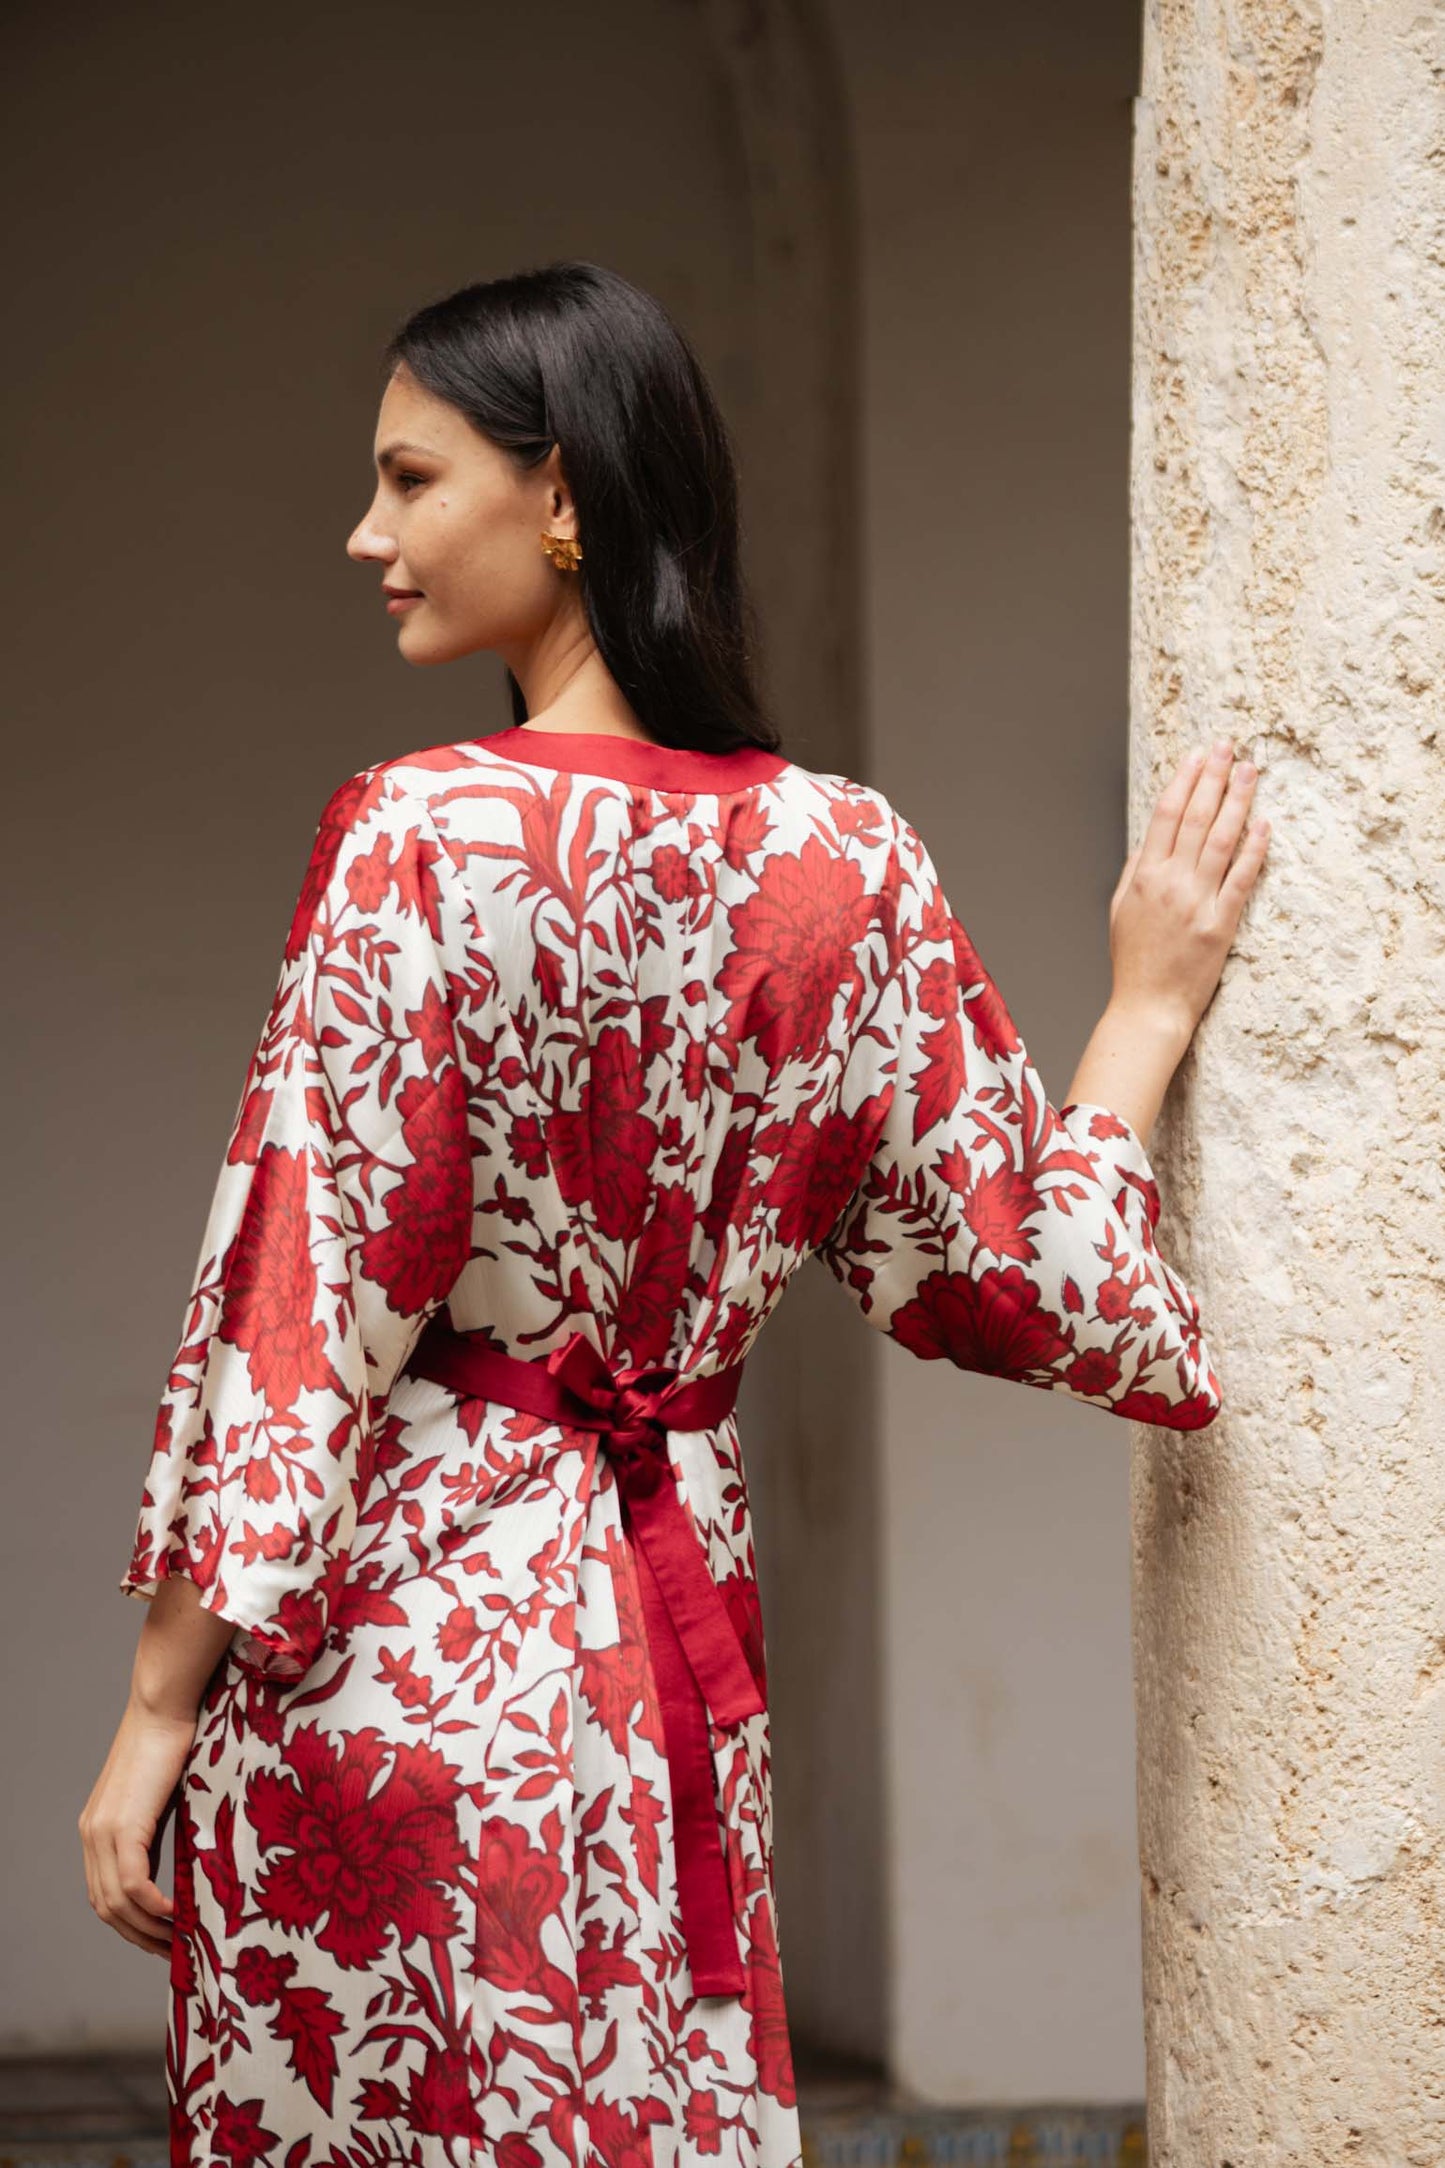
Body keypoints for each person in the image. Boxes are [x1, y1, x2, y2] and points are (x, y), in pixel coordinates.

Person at [79, 261, 1268, 2166]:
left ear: (561, 493)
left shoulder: (416, 834)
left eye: (410, 479)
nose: (367, 532)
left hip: (394, 1660)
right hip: (662, 1652)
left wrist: (157, 1708)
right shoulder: (844, 858)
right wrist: (1140, 1011)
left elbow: (303, 1307)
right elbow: (1044, 1281)